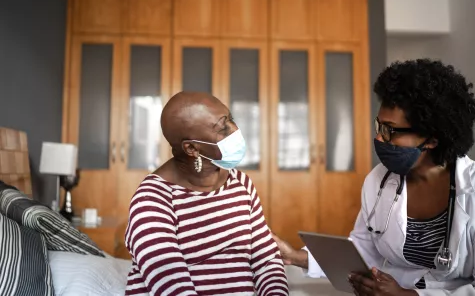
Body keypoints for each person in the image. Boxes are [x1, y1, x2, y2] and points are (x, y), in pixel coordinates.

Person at [273, 59, 475, 295]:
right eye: (379, 127)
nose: (379, 139)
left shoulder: (470, 189)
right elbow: (363, 250)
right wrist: (296, 257)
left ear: (432, 139)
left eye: (390, 130)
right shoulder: (378, 180)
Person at [124, 92, 289, 296]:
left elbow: (266, 261)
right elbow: (171, 285)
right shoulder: (152, 199)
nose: (235, 130)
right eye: (223, 128)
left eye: (231, 119)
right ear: (192, 148)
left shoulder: (241, 184)